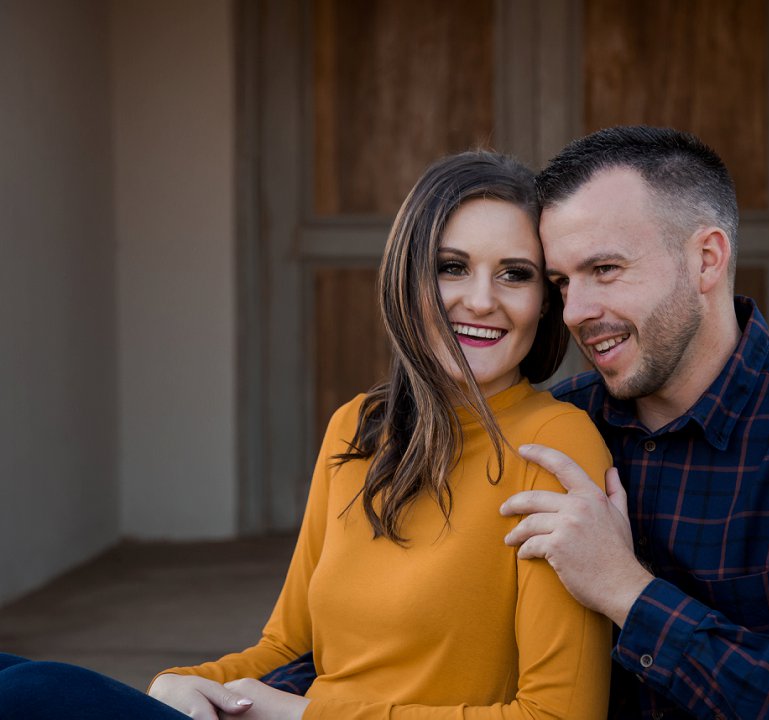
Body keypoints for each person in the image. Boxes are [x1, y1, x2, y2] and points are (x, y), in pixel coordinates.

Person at [0, 151, 613, 719]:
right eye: (451, 267)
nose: (480, 300)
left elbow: (560, 715)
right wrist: (180, 681)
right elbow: (287, 643)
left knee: (32, 693)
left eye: (515, 275)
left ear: (544, 301)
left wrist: (312, 716)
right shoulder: (359, 425)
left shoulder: (555, 442)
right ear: (405, 276)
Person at [496, 126, 769, 719]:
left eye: (605, 269)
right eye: (562, 282)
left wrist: (629, 593)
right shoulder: (557, 427)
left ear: (706, 258)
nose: (575, 312)